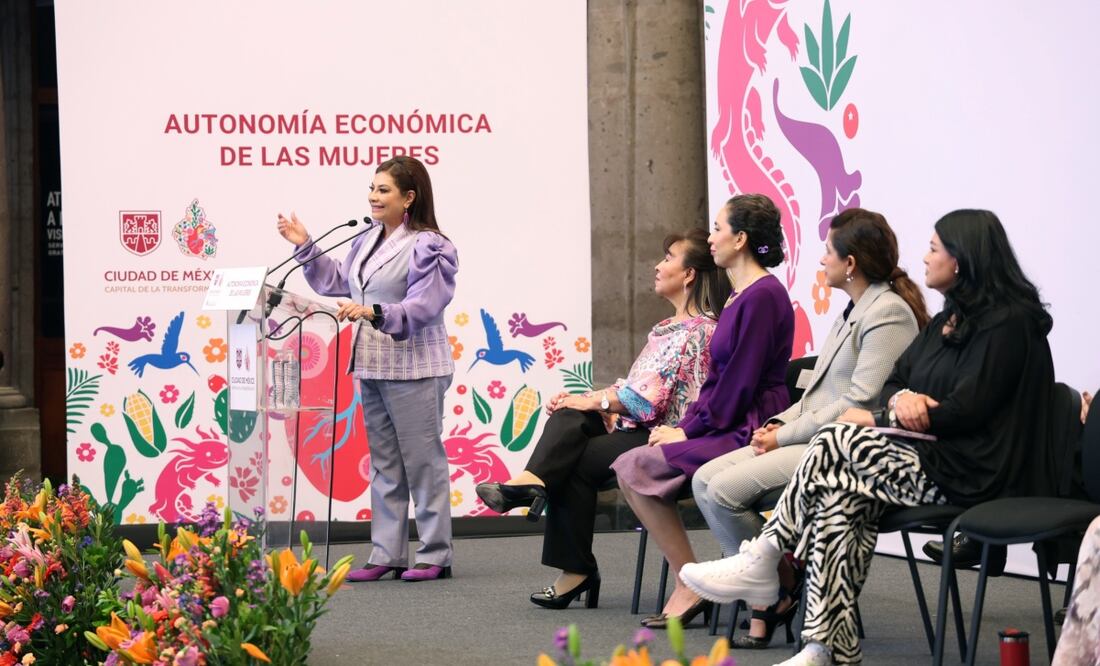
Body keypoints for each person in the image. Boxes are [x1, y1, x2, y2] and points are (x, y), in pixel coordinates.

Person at [680, 209, 1059, 665]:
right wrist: (901, 403)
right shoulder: (948, 321)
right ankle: (825, 649)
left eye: (935, 249)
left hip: (977, 471)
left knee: (837, 439)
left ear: (962, 258)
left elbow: (969, 409)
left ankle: (765, 555)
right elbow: (900, 379)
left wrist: (904, 410)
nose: (924, 257)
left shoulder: (1010, 323)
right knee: (842, 502)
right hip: (933, 458)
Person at [691, 208, 928, 649]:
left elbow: (859, 402)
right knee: (703, 479)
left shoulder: (888, 313)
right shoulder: (852, 310)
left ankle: (769, 592)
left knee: (723, 491)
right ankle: (780, 581)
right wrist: (779, 422)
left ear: (850, 263)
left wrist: (784, 435)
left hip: (845, 449)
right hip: (810, 435)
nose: (821, 261)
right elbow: (819, 391)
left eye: (827, 252)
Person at [475, 228, 730, 609]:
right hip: (638, 427)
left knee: (571, 458)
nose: (657, 266)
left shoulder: (700, 331)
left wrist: (595, 402)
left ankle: (568, 556)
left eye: (667, 258)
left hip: (669, 437)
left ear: (689, 274)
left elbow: (649, 402)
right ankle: (533, 485)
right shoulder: (667, 329)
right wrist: (589, 401)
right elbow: (638, 391)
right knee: (568, 422)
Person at [612, 194, 795, 629]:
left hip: (748, 423)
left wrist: (690, 432)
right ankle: (703, 579)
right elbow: (718, 381)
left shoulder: (763, 296)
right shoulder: (739, 296)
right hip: (728, 417)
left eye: (717, 228)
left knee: (635, 466)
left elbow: (740, 384)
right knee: (632, 466)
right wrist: (686, 426)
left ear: (742, 238)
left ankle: (763, 577)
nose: (710, 238)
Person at [276, 156, 458, 582]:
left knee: (423, 462)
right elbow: (337, 282)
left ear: (408, 197)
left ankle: (435, 554)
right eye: (372, 189)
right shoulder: (364, 239)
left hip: (415, 366)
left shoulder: (430, 245)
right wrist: (305, 244)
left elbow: (425, 304)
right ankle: (387, 552)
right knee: (384, 463)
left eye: (383, 191)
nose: (373, 197)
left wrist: (375, 312)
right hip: (372, 364)